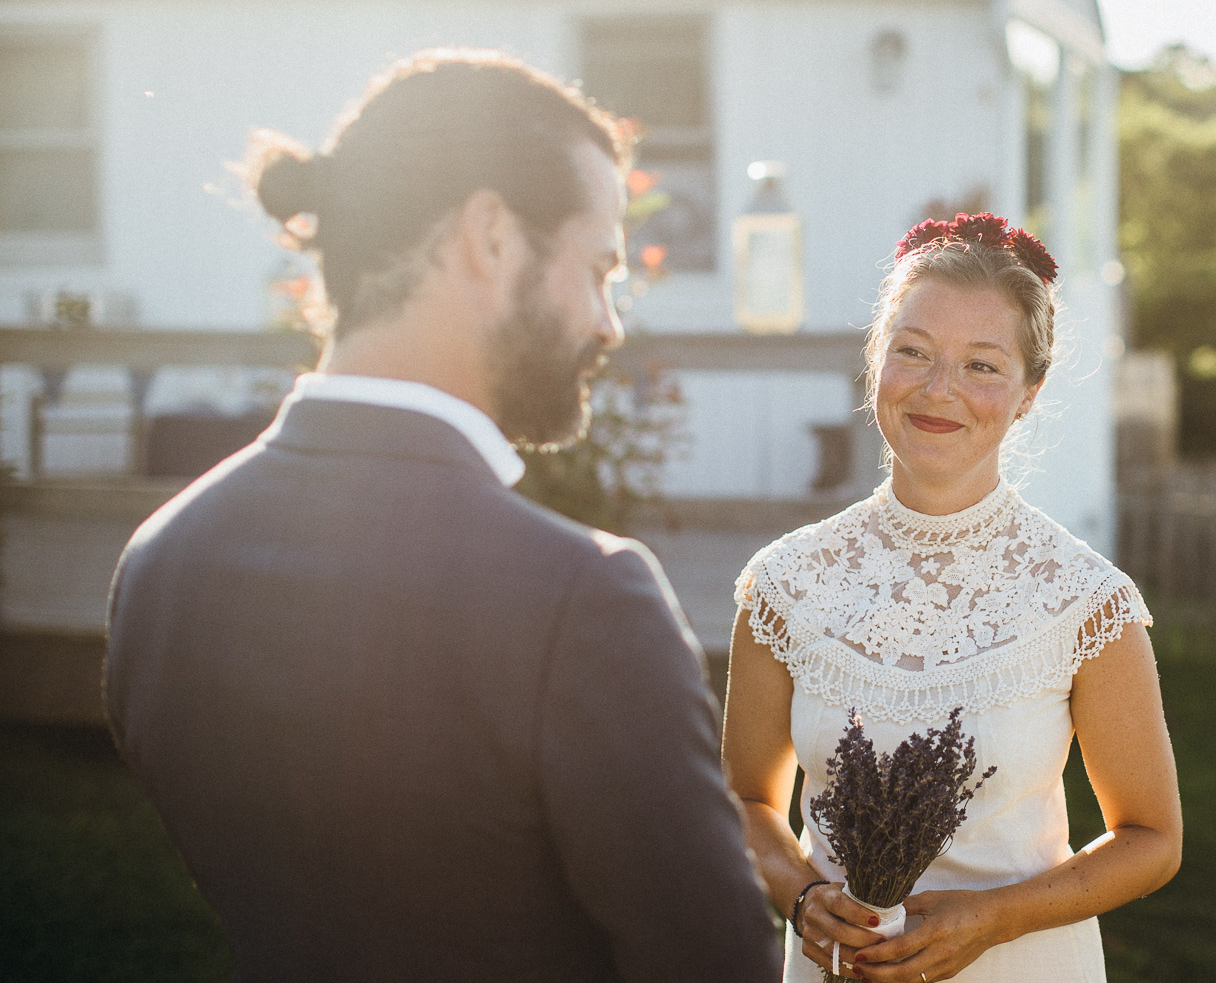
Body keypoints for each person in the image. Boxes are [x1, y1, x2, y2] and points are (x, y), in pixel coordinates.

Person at [104, 50, 780, 982]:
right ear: (491, 236)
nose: (609, 322)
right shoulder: (582, 604)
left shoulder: (161, 564)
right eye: (599, 268)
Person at [722, 213, 1182, 982]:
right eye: (912, 352)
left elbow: (1152, 839)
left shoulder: (1085, 600)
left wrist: (994, 919)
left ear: (1029, 393)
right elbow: (746, 800)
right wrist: (800, 895)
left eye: (982, 366)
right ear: (875, 359)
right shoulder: (784, 583)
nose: (939, 390)